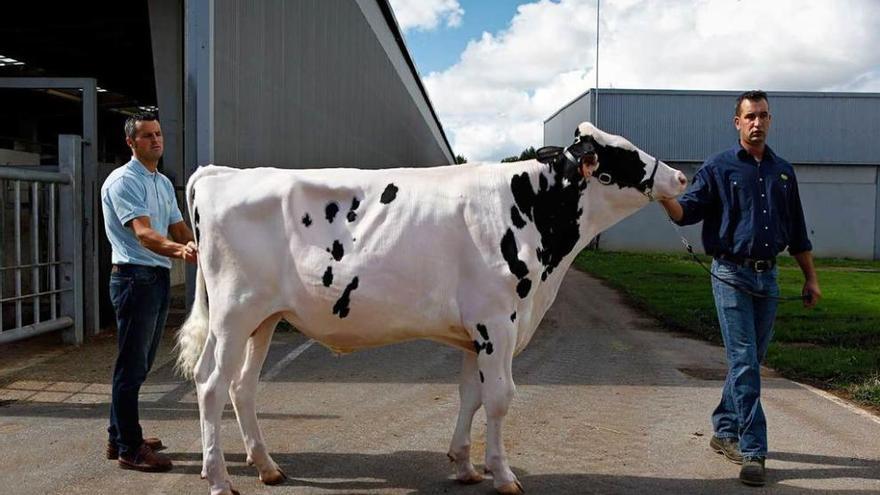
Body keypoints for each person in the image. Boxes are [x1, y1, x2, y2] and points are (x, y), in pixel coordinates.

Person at [659, 90, 821, 486]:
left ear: (770, 120)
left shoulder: (783, 171)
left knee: (750, 360)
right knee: (746, 361)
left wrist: (810, 277)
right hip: (730, 274)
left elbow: (797, 230)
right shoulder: (718, 168)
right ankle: (754, 451)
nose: (757, 123)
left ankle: (724, 429)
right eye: (749, 116)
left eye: (763, 116)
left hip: (769, 277)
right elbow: (686, 213)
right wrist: (663, 195)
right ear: (737, 122)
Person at [101, 112, 198, 472]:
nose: (155, 140)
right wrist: (180, 251)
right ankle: (130, 448)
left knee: (138, 365)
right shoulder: (123, 181)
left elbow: (176, 226)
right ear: (131, 142)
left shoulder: (160, 181)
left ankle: (119, 436)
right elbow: (143, 232)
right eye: (146, 136)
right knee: (131, 367)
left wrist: (201, 247)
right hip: (133, 278)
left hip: (153, 278)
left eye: (158, 134)